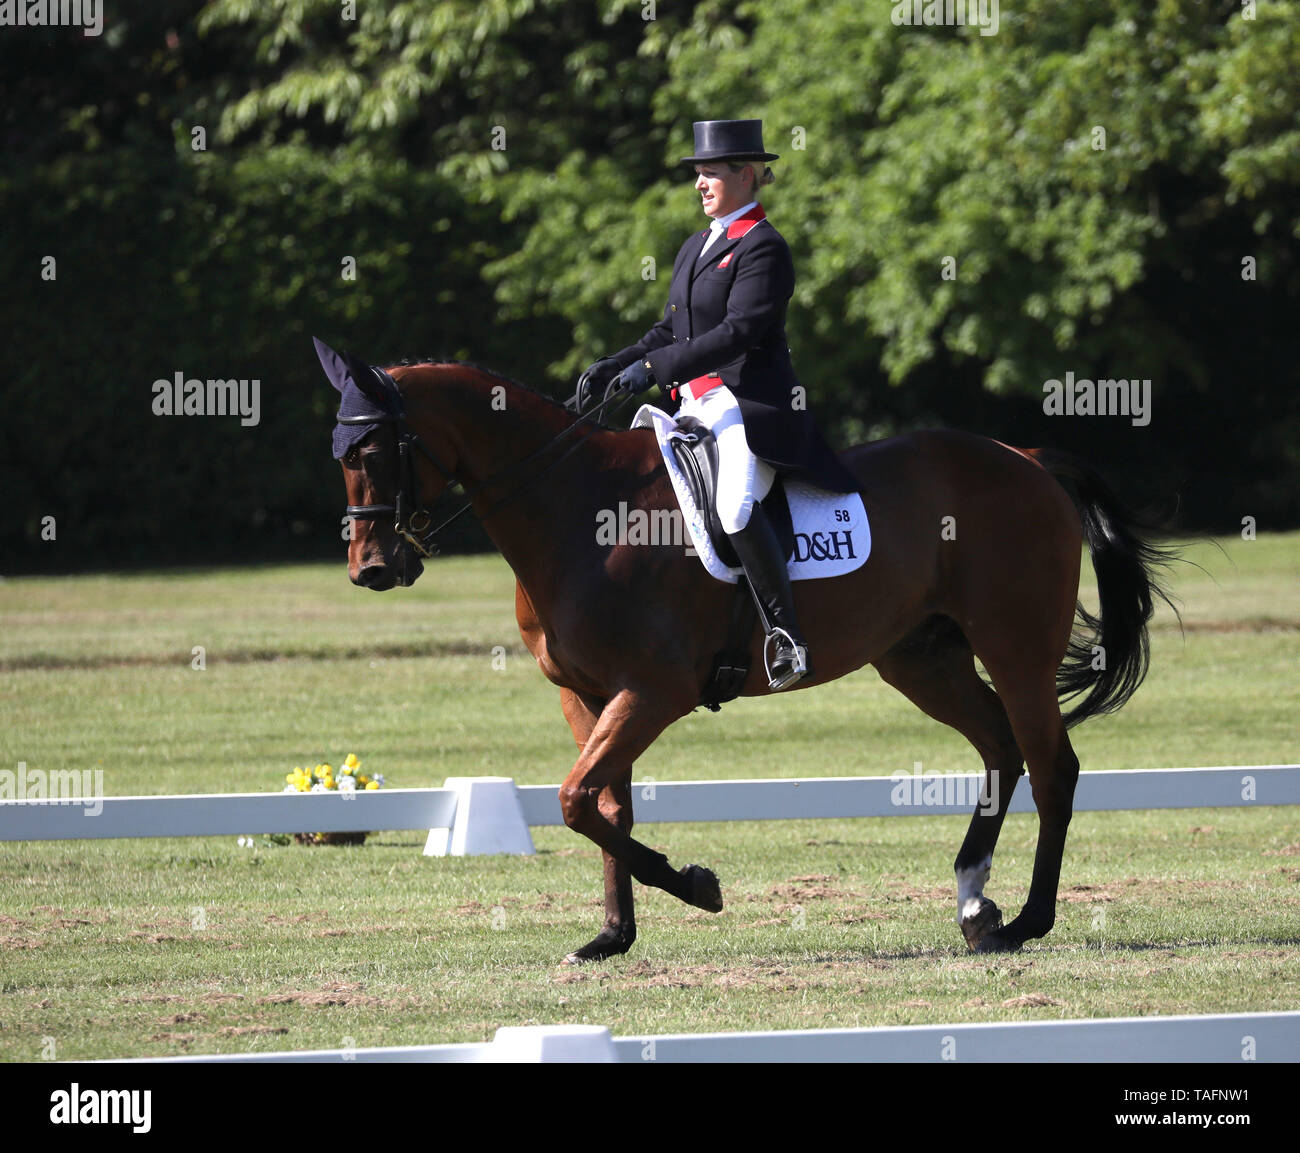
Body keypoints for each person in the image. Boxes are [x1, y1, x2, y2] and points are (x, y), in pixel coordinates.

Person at [574, 119, 860, 691]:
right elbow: (671, 330)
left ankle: (787, 638)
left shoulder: (764, 247)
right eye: (697, 174)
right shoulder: (696, 245)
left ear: (747, 174)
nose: (700, 184)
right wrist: (619, 362)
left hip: (749, 406)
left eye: (710, 174)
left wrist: (653, 370)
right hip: (694, 407)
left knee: (733, 511)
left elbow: (738, 332)